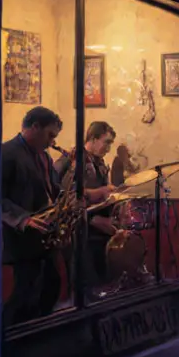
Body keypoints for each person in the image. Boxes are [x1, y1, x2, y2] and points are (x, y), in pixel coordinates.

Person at [1, 107, 66, 326]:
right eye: (50, 135)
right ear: (35, 127)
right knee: (24, 297)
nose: (51, 142)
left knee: (50, 287)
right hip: (21, 239)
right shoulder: (7, 153)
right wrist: (24, 219)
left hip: (43, 238)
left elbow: (53, 189)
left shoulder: (44, 158)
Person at [53, 121, 118, 288]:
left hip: (95, 232)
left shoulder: (100, 162)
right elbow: (66, 195)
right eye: (107, 142)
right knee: (84, 285)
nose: (109, 149)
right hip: (79, 231)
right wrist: (95, 216)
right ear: (94, 139)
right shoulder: (74, 159)